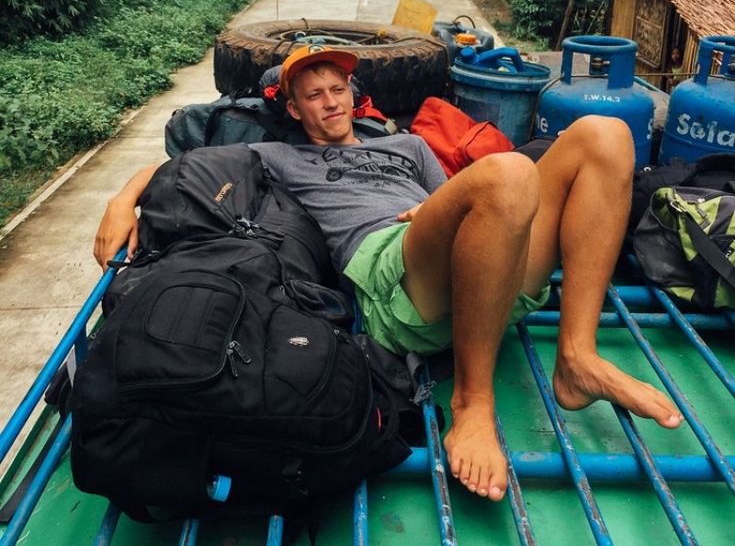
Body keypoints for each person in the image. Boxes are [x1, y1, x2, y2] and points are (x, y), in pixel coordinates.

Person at [94, 45, 683, 502]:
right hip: (392, 279)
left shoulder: (408, 146)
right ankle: (472, 405)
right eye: (314, 95)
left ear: (354, 94)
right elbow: (175, 166)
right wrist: (124, 202)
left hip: (468, 264)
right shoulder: (281, 155)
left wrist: (441, 206)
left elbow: (474, 208)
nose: (331, 102)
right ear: (293, 108)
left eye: (338, 89)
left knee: (604, 135)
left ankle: (577, 359)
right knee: (507, 174)